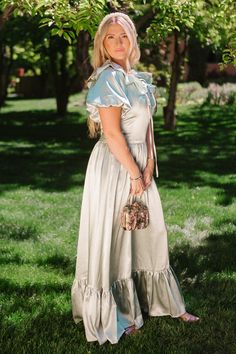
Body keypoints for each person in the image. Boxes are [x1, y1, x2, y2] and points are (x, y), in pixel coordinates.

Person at [71, 12, 199, 345]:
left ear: (133, 41)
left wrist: (149, 165)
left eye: (123, 36)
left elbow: (149, 129)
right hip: (116, 166)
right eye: (110, 37)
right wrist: (133, 173)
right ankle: (120, 312)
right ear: (102, 43)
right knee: (117, 241)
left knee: (151, 232)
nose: (117, 42)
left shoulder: (139, 79)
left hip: (140, 164)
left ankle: (165, 303)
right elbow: (112, 134)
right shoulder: (108, 78)